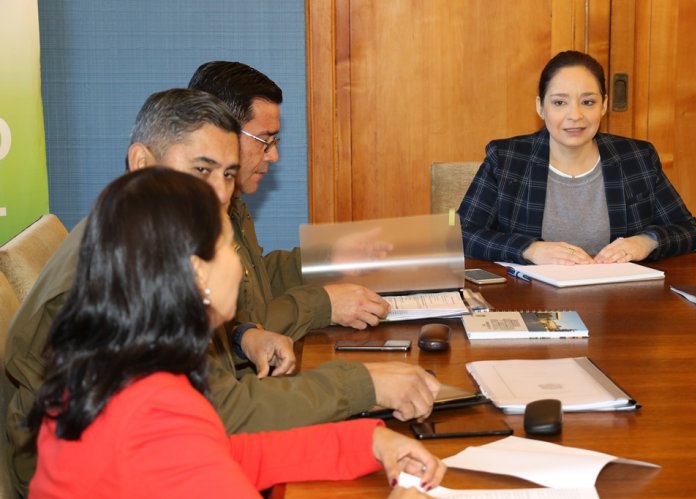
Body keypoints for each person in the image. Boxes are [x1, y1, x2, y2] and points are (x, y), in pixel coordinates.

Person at [3, 88, 439, 496]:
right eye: (225, 245)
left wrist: (366, 444)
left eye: (226, 175)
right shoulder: (157, 414)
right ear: (196, 271)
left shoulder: (131, 360)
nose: (220, 194)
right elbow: (198, 448)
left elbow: (221, 451)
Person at [188, 61, 393, 340]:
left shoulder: (229, 202)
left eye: (275, 141)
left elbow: (253, 286)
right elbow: (241, 327)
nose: (273, 156)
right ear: (220, 134)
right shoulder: (184, 222)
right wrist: (325, 305)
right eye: (265, 140)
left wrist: (329, 258)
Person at [458, 50, 696, 265]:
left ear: (603, 105)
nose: (575, 115)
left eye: (588, 102)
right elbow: (462, 234)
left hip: (619, 301)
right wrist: (530, 249)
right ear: (541, 107)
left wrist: (646, 242)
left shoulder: (636, 158)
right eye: (560, 102)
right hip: (531, 301)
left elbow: (688, 231)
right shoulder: (507, 160)